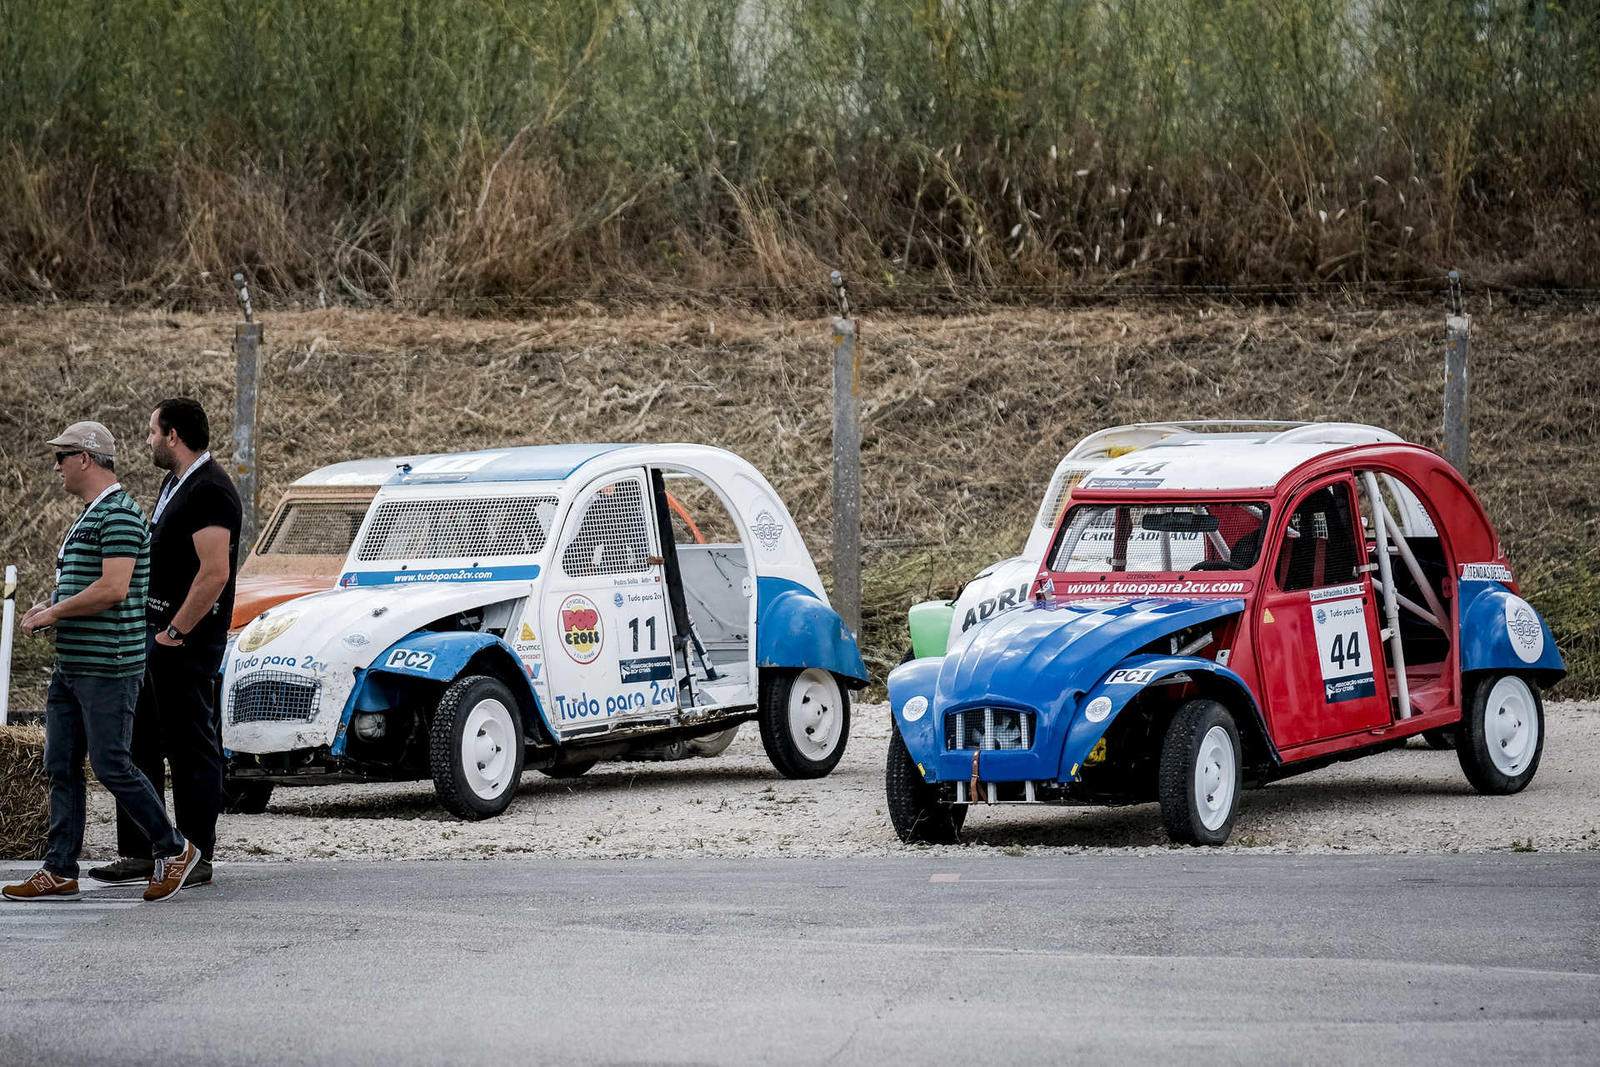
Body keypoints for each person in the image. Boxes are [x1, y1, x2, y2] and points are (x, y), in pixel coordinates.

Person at [2, 422, 200, 902]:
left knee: (111, 765)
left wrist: (53, 611)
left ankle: (175, 849)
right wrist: (47, 608)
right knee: (60, 764)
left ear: (86, 458)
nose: (57, 467)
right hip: (73, 664)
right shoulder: (91, 516)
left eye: (62, 457)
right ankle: (60, 869)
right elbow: (83, 584)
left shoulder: (120, 516)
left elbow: (113, 589)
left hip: (108, 666)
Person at [88, 399, 241, 890]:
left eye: (152, 431)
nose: (148, 440)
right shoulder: (175, 483)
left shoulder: (211, 490)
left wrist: (175, 632)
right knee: (141, 739)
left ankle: (196, 853)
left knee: (191, 745)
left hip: (185, 641)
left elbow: (214, 573)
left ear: (173, 434)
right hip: (155, 635)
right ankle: (144, 848)